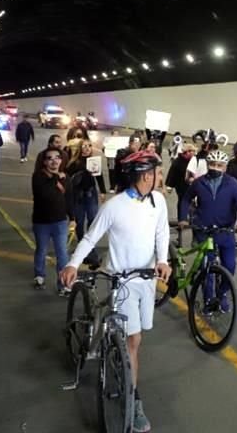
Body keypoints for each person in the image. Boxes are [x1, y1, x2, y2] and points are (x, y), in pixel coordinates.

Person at [59, 150, 171, 433]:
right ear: (146, 175)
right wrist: (72, 263)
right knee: (132, 340)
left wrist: (162, 260)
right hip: (121, 282)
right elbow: (91, 236)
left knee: (137, 338)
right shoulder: (115, 206)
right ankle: (134, 399)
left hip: (145, 281)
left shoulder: (158, 201)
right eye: (158, 172)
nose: (161, 177)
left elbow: (161, 232)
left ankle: (124, 370)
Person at [178, 150, 237, 312]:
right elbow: (186, 199)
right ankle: (208, 299)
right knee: (207, 269)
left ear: (225, 167)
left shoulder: (232, 184)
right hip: (204, 231)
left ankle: (222, 293)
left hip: (225, 232)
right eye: (212, 164)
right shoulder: (199, 182)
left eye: (219, 165)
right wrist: (183, 218)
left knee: (230, 266)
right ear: (207, 165)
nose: (215, 168)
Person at [31, 148, 71, 292]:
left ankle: (63, 284)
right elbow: (44, 194)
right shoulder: (38, 177)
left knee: (62, 253)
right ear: (44, 161)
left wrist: (72, 218)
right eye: (49, 158)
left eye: (57, 157)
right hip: (41, 222)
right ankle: (39, 275)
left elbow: (68, 199)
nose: (54, 161)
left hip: (60, 221)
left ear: (62, 160)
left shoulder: (65, 177)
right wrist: (56, 177)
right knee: (41, 249)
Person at [65, 140, 107, 254]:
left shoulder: (94, 161)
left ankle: (89, 243)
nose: (87, 148)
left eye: (89, 146)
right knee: (79, 220)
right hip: (78, 195)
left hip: (91, 194)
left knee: (92, 219)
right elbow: (68, 179)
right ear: (80, 148)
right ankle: (80, 243)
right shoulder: (74, 163)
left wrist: (103, 191)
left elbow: (99, 176)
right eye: (84, 146)